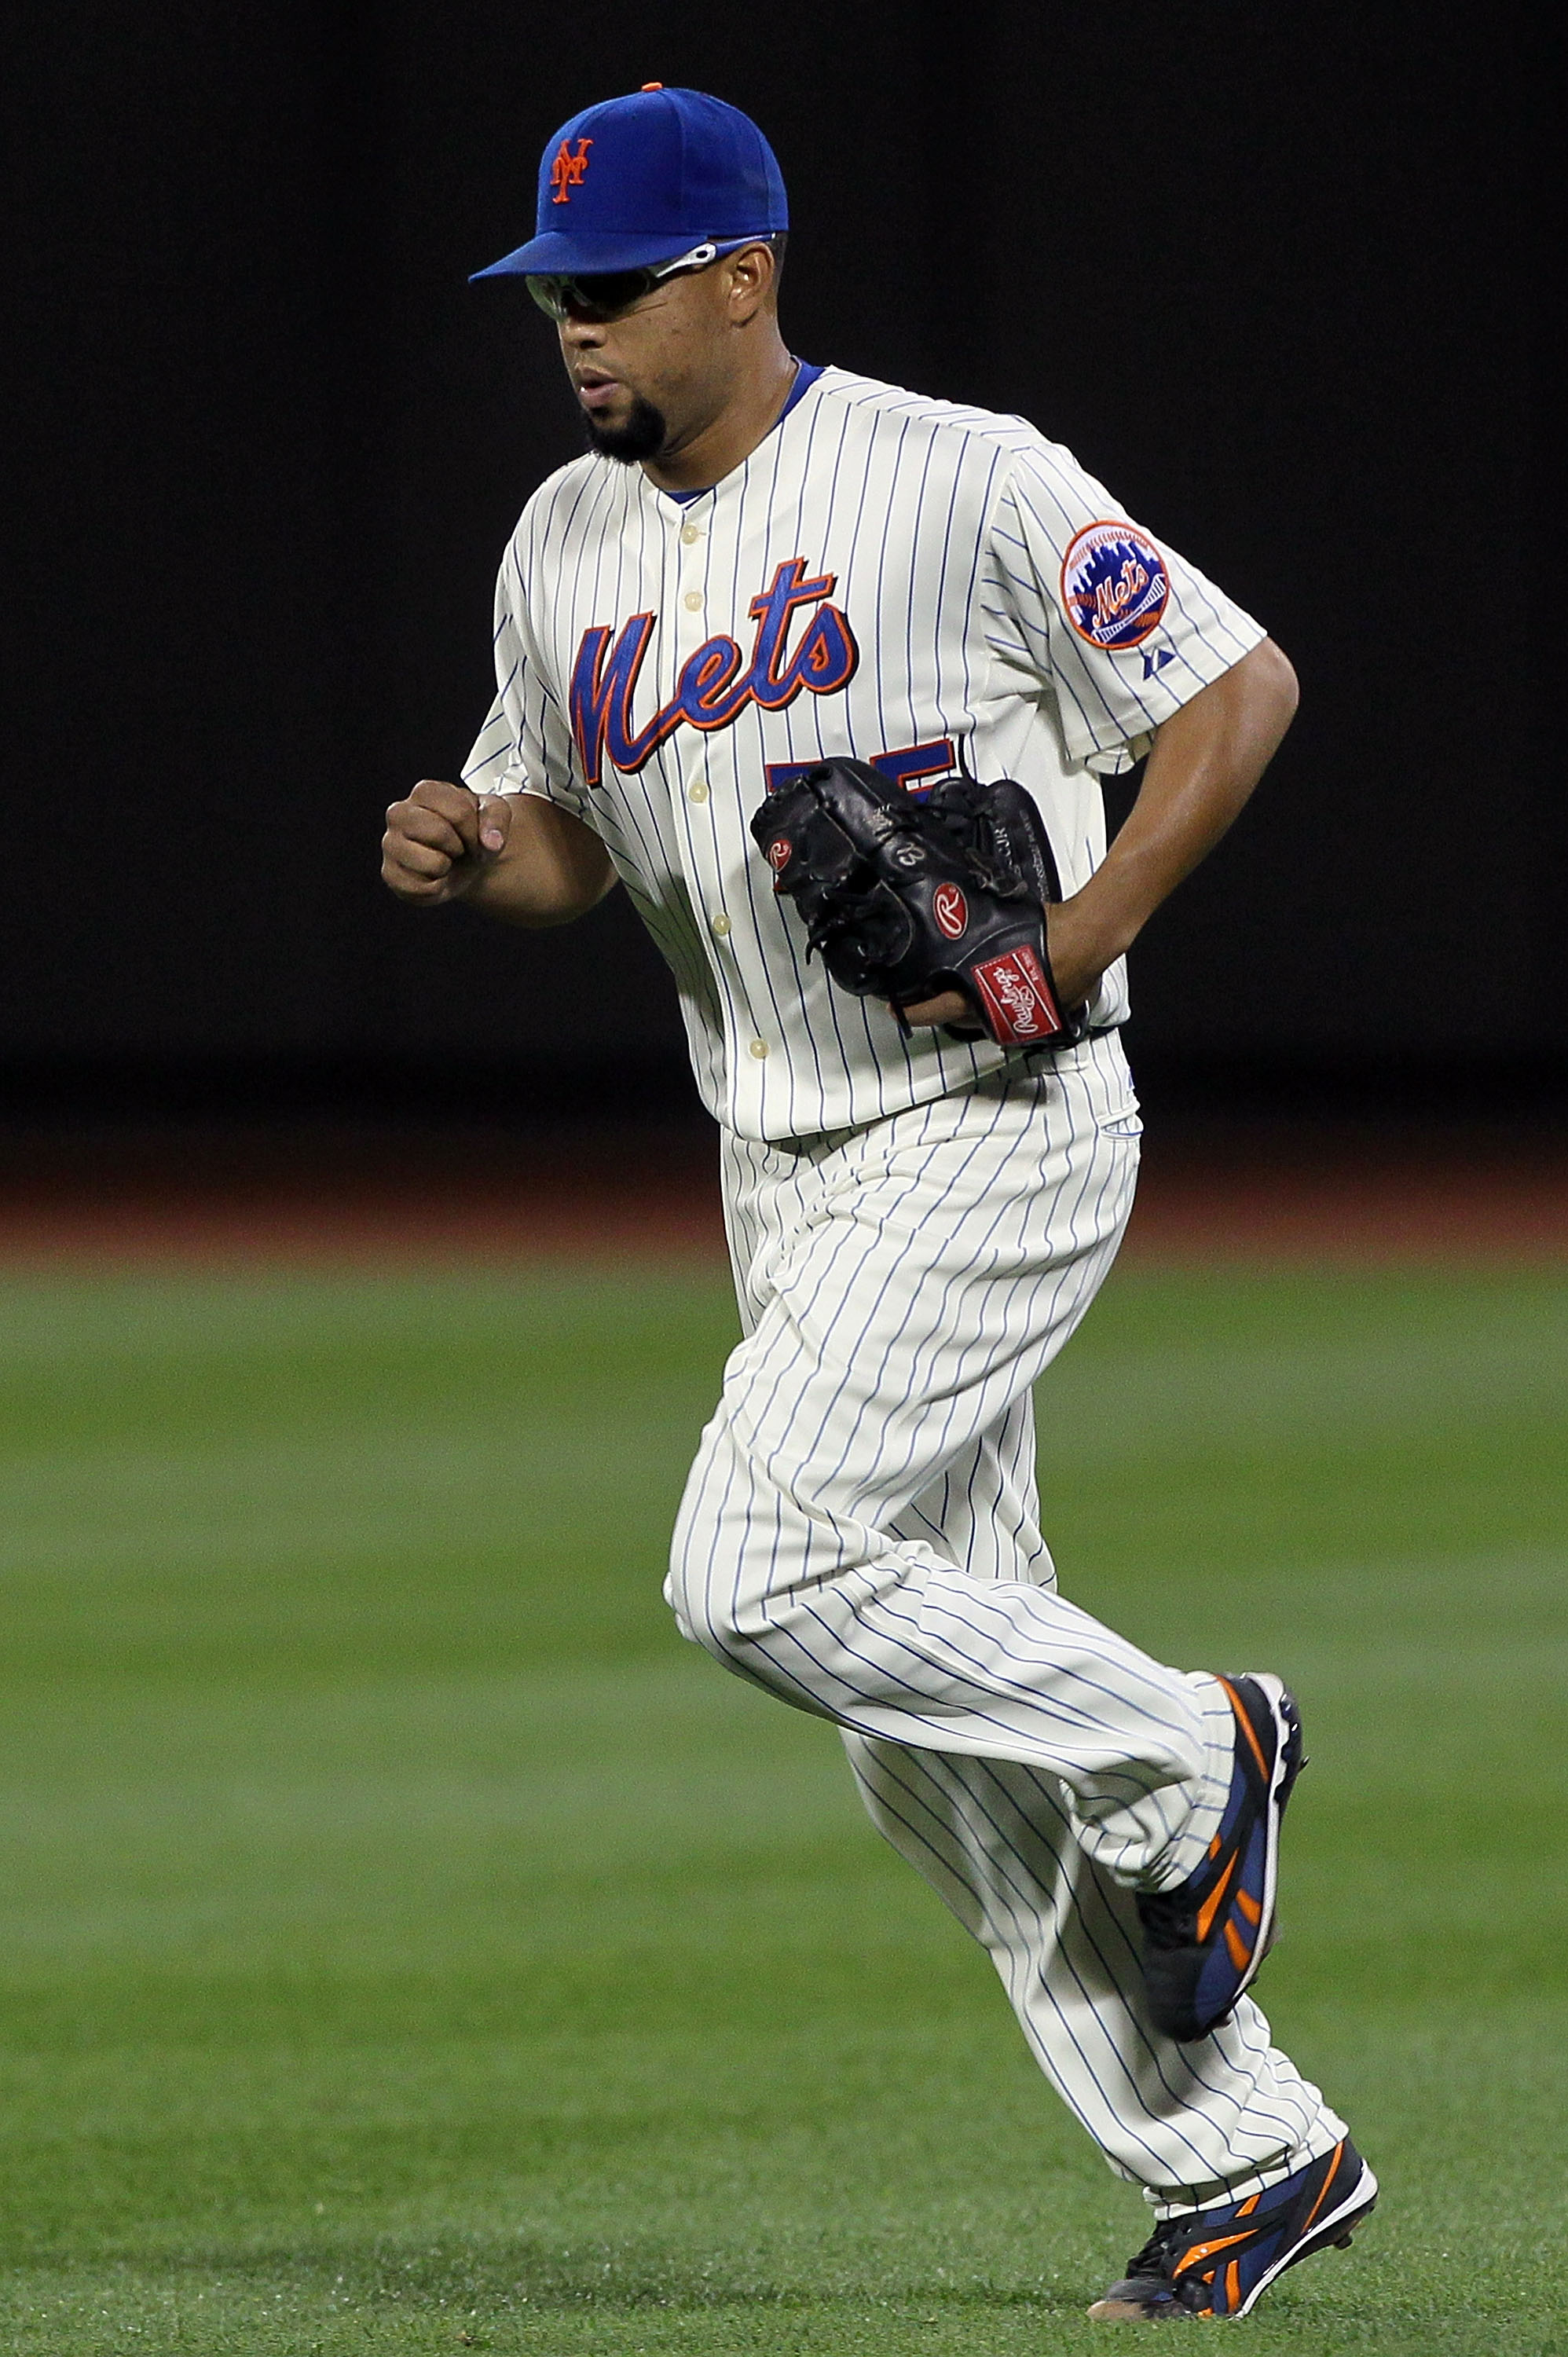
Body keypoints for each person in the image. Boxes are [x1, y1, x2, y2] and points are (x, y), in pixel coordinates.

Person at [381, 83, 1376, 2322]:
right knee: (915, 1750)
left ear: (743, 271)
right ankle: (1252, 2157)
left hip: (993, 1122)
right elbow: (562, 835)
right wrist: (478, 850)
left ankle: (1190, 1741)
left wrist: (1084, 935)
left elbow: (1233, 685)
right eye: (553, 293)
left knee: (748, 1567)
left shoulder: (962, 473)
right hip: (779, 1161)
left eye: (616, 286)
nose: (575, 330)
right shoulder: (561, 537)